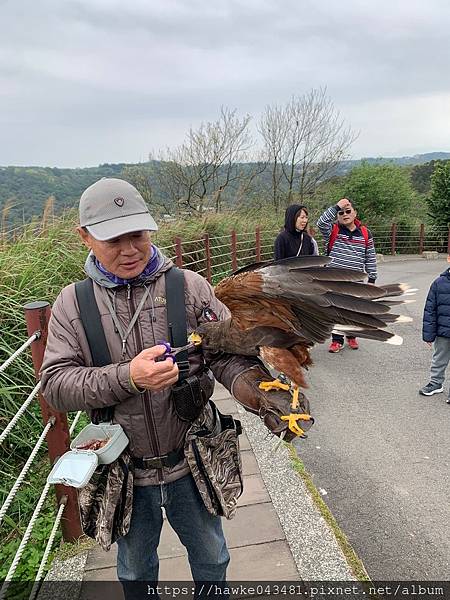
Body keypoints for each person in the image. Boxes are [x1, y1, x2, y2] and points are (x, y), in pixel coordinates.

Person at [40, 178, 296, 594]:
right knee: (135, 570)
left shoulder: (189, 287)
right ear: (84, 237)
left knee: (213, 557)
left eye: (137, 235)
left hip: (192, 460)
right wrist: (128, 377)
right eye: (113, 239)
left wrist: (261, 394)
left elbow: (228, 354)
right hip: (124, 469)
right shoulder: (74, 303)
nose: (129, 250)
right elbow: (56, 386)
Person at [317, 197, 377, 353]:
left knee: (353, 310)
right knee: (336, 310)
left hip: (356, 280)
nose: (345, 214)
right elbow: (321, 223)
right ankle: (337, 340)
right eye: (341, 212)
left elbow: (370, 256)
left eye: (348, 211)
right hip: (334, 280)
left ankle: (352, 336)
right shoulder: (333, 230)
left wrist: (372, 279)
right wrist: (337, 206)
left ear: (355, 213)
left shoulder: (365, 233)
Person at [419, 253, 450, 403]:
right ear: (449, 258)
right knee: (439, 358)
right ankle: (436, 383)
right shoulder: (439, 283)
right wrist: (429, 335)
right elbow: (430, 310)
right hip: (443, 331)